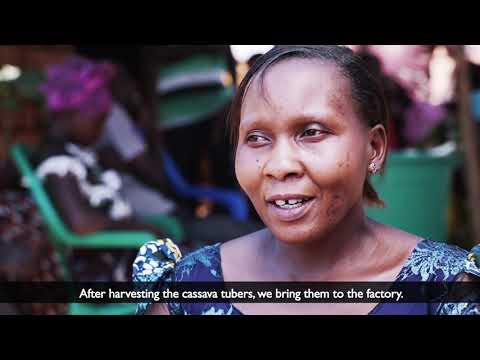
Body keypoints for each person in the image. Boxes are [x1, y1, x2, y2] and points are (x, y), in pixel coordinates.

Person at [133, 45, 480, 315]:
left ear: (373, 148)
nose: (279, 165)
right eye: (257, 138)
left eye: (312, 132)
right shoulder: (194, 286)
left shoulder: (445, 289)